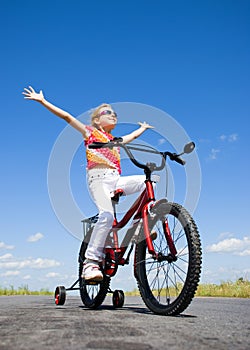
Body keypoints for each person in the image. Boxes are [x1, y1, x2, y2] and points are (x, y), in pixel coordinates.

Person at [23, 86, 154, 281]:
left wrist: (142, 128)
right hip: (98, 179)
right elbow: (67, 117)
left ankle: (138, 230)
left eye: (114, 113)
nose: (113, 115)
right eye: (107, 112)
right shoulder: (90, 133)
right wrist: (43, 101)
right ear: (96, 120)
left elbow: (131, 137)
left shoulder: (115, 140)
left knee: (147, 183)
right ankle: (91, 263)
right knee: (107, 216)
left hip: (115, 178)